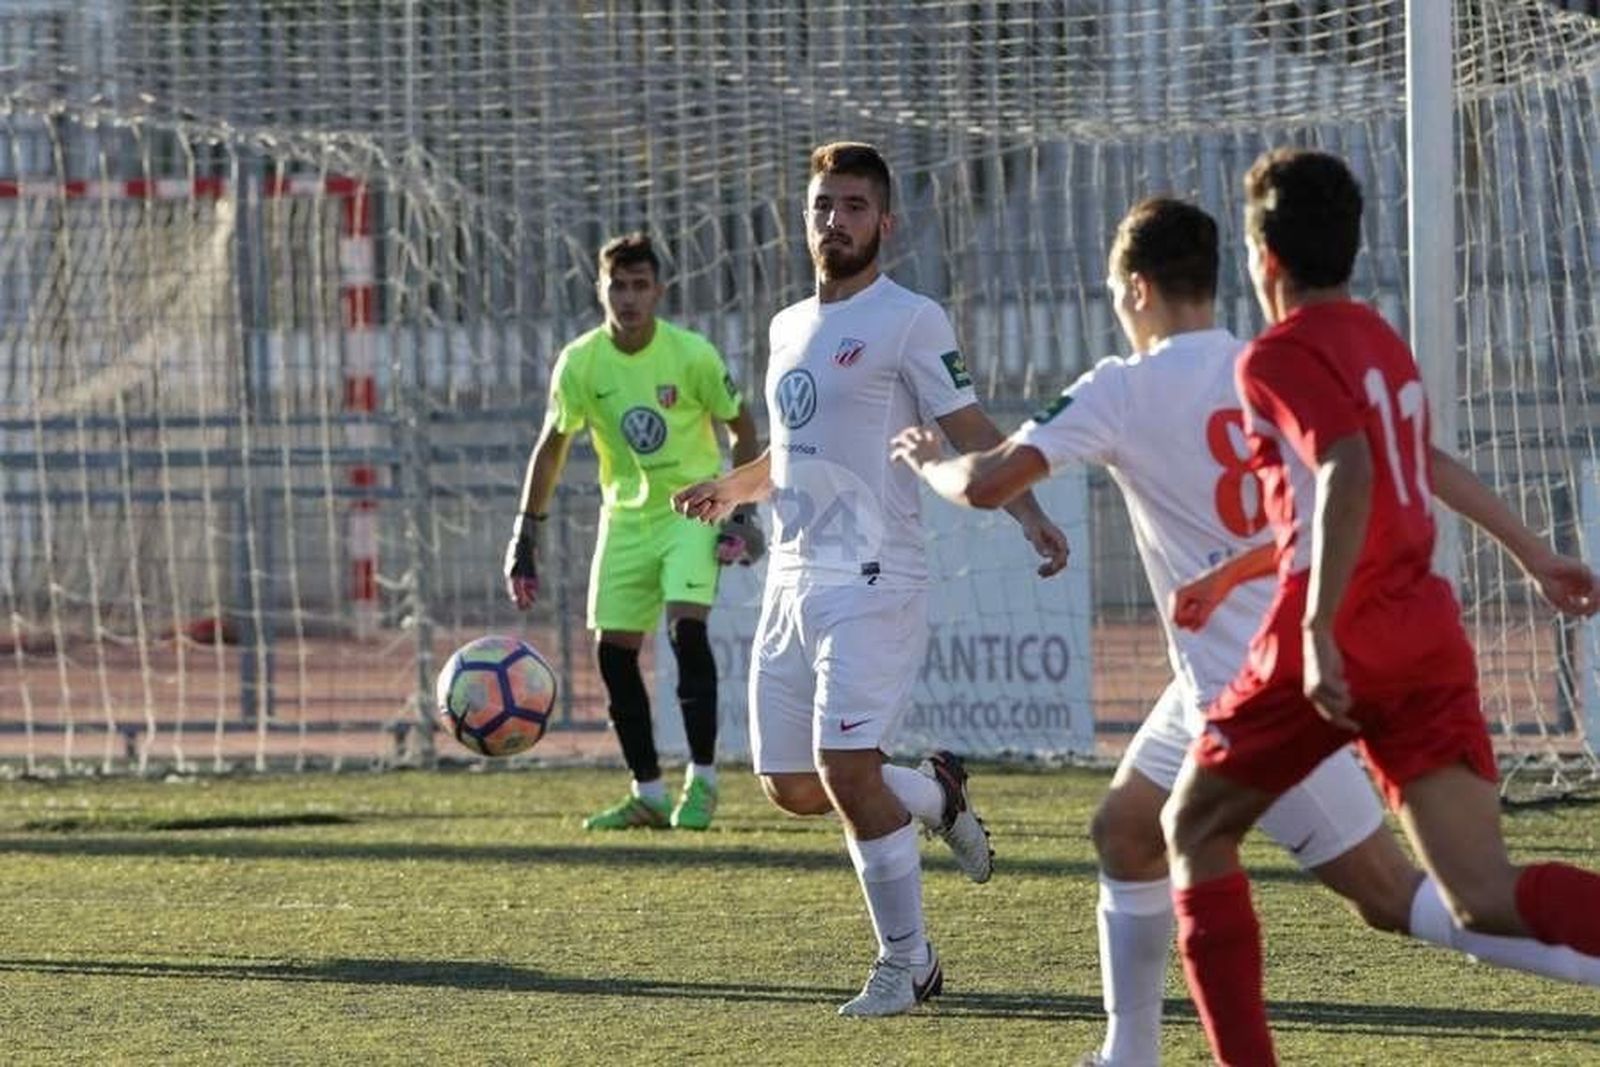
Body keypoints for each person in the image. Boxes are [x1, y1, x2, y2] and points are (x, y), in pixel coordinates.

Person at [890, 195, 1600, 1066]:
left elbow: (987, 482)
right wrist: (1532, 548)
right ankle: (1130, 1051)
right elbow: (1392, 470)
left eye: (1116, 292)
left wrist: (928, 459)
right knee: (1126, 826)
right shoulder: (1263, 361)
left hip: (1268, 677)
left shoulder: (1122, 385)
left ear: (1137, 288)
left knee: (1401, 897)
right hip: (1222, 674)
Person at [1153, 148, 1600, 1065]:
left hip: (1335, 631)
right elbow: (1420, 462)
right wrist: (1536, 552)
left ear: (1263, 259)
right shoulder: (1378, 338)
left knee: (1193, 827)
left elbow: (1347, 465)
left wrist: (1317, 632)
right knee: (1480, 891)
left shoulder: (1274, 354)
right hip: (1426, 632)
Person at [673, 141, 1070, 1016]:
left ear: (885, 223)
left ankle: (909, 964)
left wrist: (1027, 508)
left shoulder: (911, 318)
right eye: (822, 205)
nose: (835, 220)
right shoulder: (785, 327)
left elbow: (967, 425)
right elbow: (790, 454)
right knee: (793, 787)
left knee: (845, 766)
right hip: (791, 576)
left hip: (875, 573)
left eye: (853, 206)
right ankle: (934, 790)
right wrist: (729, 488)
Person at [505, 232, 762, 832]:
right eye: (617, 286)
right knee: (612, 653)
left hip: (692, 511)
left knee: (685, 632)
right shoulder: (581, 362)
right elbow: (551, 450)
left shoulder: (691, 355)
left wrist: (741, 513)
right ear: (601, 289)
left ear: (658, 291)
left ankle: (702, 781)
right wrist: (525, 538)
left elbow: (744, 430)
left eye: (639, 286)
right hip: (624, 519)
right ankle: (647, 791)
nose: (627, 298)